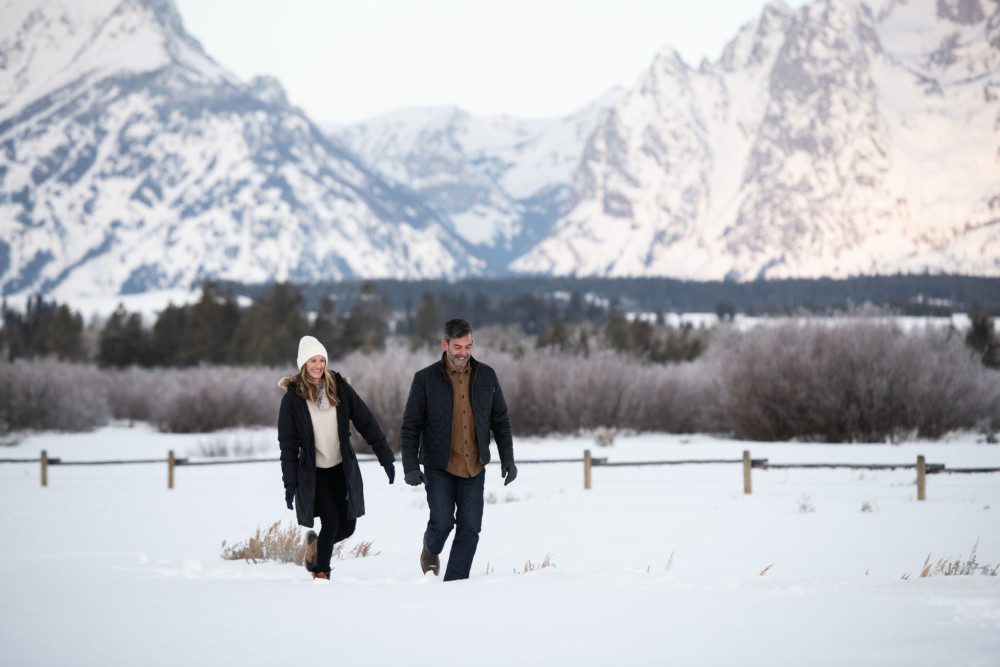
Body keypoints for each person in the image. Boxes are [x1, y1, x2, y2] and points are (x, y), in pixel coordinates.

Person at [401, 318, 517, 581]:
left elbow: (501, 421)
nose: (463, 352)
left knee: (470, 528)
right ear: (445, 345)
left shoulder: (487, 375)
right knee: (442, 523)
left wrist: (507, 458)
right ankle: (430, 548)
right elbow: (410, 426)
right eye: (457, 347)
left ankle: (455, 583)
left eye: (468, 346)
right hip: (439, 465)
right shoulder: (425, 379)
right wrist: (410, 466)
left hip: (474, 466)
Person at [278, 335, 396, 580]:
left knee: (348, 525)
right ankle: (321, 572)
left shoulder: (339, 387)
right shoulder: (293, 399)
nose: (318, 365)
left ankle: (315, 546)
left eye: (322, 360)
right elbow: (288, 446)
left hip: (341, 469)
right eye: (313, 360)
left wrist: (385, 456)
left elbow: (366, 421)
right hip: (314, 471)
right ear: (303, 364)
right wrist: (290, 483)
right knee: (331, 520)